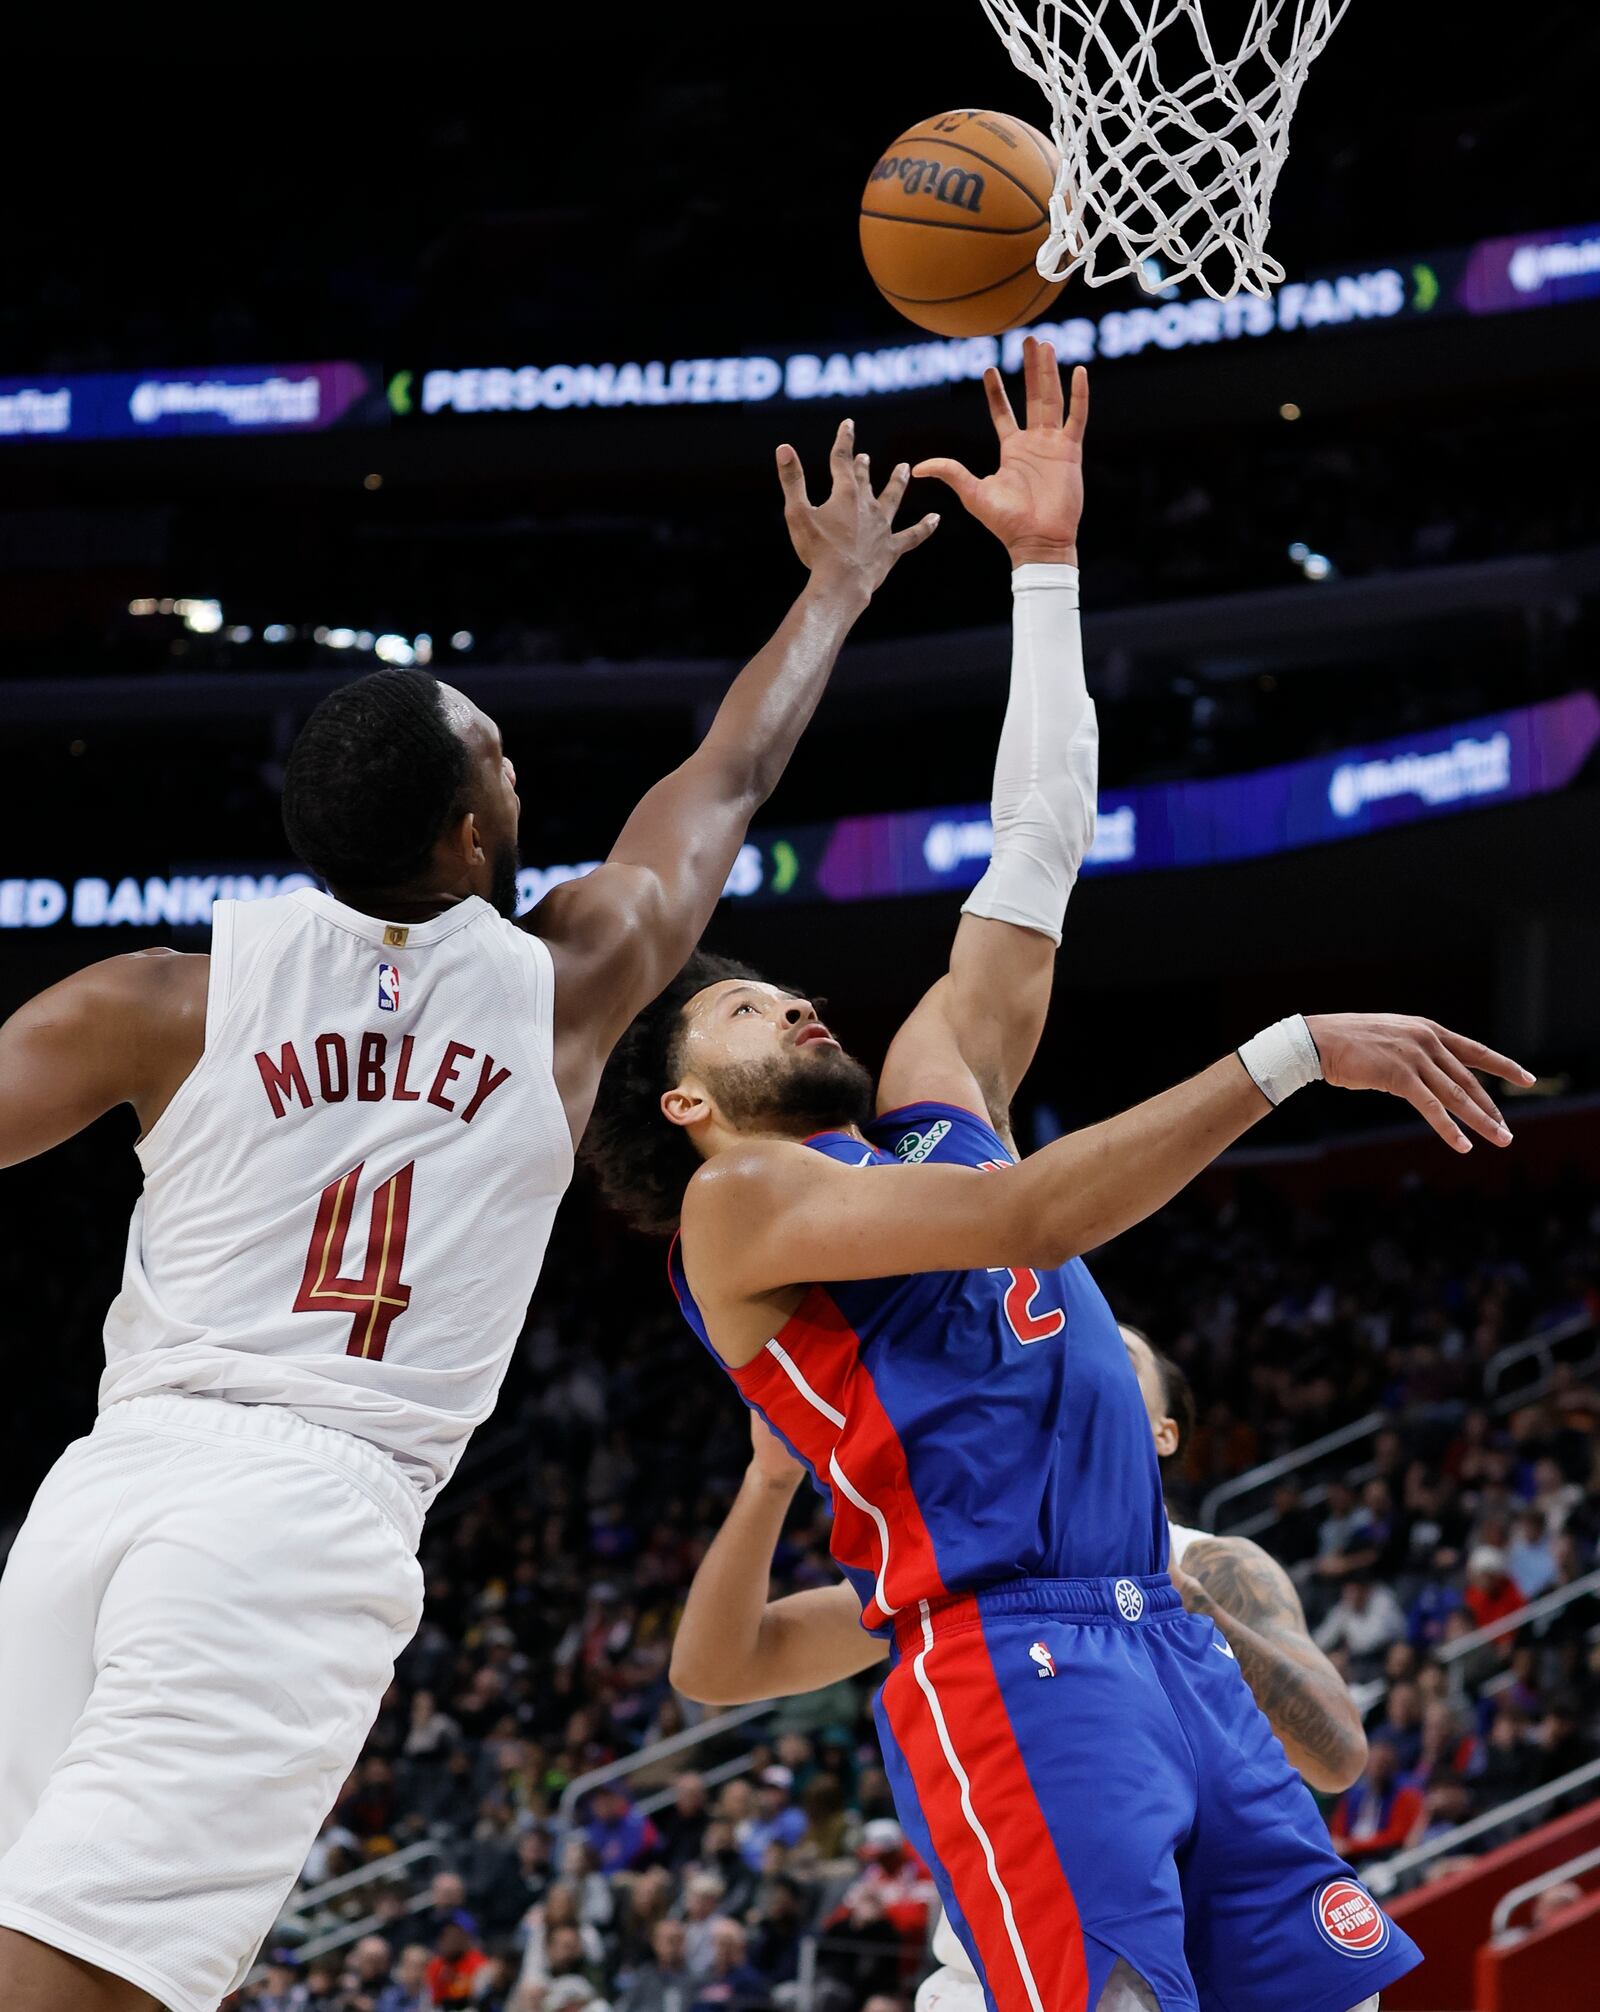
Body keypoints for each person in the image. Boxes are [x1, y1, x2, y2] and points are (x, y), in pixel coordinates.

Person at [585, 347, 1525, 2008]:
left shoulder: (936, 1100)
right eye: (746, 1005)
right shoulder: (741, 1207)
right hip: (1004, 1651)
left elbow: (1038, 847)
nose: (796, 999)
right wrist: (1291, 1050)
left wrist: (1044, 570)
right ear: (683, 1104)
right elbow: (1033, 1217)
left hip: (1157, 1630)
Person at [0, 419, 938, 2012]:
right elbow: (730, 773)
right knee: (99, 1978)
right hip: (300, 1514)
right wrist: (836, 591)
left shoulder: (158, 998)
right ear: (463, 836)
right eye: (500, 758)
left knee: (108, 1953)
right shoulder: (568, 985)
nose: (521, 770)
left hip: (101, 1494)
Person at [671, 1319, 1373, 2012]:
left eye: (1113, 1356)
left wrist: (1192, 1613)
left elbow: (1338, 1754)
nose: (1076, 1366)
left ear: (1164, 1433)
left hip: (1210, 1969)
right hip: (1010, 1978)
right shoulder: (962, 1567)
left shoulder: (1213, 1564)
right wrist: (769, 1479)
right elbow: (717, 1669)